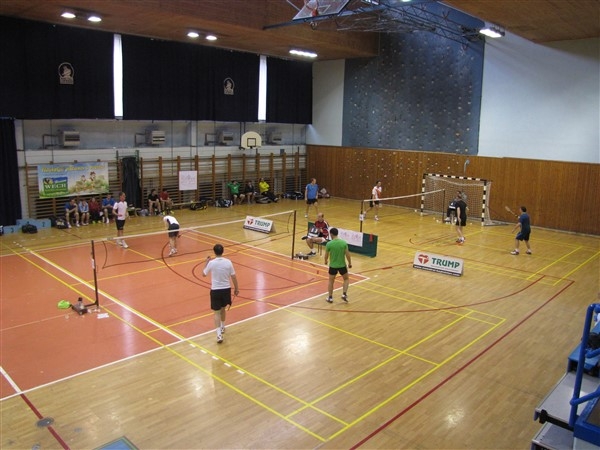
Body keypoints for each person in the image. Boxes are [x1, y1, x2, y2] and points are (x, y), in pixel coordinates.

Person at [203, 244, 240, 344]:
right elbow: (233, 276)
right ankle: (223, 326)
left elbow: (204, 274)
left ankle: (219, 334)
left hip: (215, 290)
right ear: (223, 251)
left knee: (216, 312)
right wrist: (236, 288)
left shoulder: (211, 263)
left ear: (214, 252)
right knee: (223, 309)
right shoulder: (228, 262)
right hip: (226, 290)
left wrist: (206, 262)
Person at [324, 228, 352, 304]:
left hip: (333, 266)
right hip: (342, 266)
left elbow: (326, 255)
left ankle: (330, 297)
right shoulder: (343, 243)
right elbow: (347, 254)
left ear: (331, 234)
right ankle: (344, 294)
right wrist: (349, 263)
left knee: (331, 281)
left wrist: (326, 261)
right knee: (346, 279)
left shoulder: (329, 244)